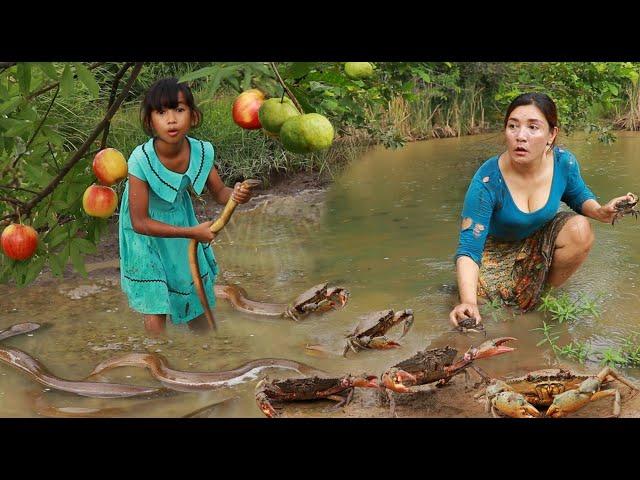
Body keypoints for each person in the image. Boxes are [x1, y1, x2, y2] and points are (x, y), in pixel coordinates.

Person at [449, 92, 633, 328]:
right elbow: (468, 248)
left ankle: (540, 298)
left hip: (536, 239)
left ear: (551, 134)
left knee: (580, 228)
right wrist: (468, 301)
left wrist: (601, 211)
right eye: (512, 126)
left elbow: (578, 195)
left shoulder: (563, 162)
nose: (520, 136)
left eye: (533, 127)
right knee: (487, 313)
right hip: (492, 252)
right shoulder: (488, 180)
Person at [119, 77, 252, 335]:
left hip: (178, 219)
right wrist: (193, 233)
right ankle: (157, 358)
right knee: (155, 297)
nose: (171, 120)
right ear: (150, 121)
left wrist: (237, 194)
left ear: (193, 116)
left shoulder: (200, 152)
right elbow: (140, 222)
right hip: (142, 234)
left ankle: (206, 350)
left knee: (190, 290)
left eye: (179, 110)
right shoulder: (140, 159)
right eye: (161, 112)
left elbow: (220, 193)